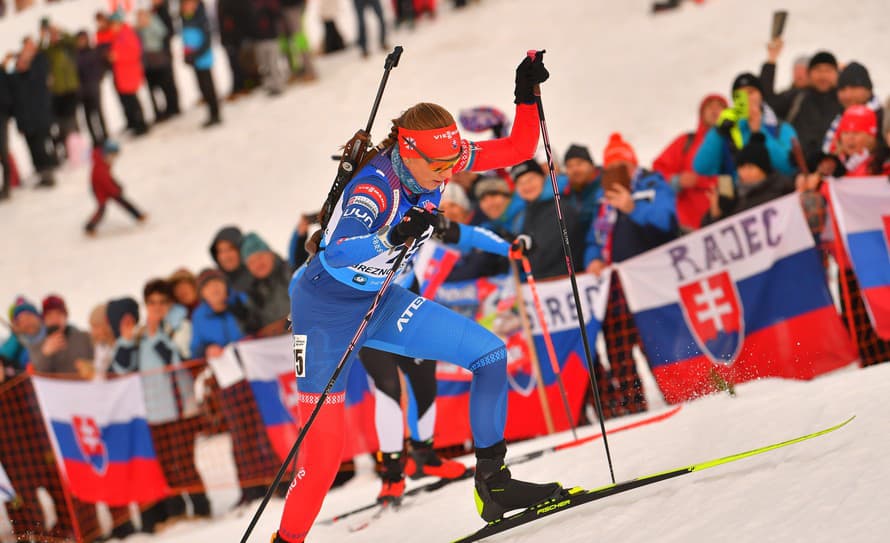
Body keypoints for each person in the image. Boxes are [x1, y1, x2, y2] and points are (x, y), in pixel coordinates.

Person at [272, 53, 554, 543]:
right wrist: (392, 235)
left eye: (453, 163)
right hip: (322, 313)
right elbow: (336, 254)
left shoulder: (438, 158)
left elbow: (519, 147)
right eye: (439, 165)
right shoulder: (375, 188)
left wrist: (525, 96)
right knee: (321, 462)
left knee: (489, 354)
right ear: (408, 149)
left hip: (379, 299)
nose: (449, 173)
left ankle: (494, 482)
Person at [584, 133, 676, 419]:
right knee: (619, 352)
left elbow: (666, 220)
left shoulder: (652, 183)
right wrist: (593, 260)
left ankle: (678, 395)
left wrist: (632, 208)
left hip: (649, 285)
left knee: (659, 344)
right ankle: (634, 410)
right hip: (614, 290)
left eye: (624, 163)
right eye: (613, 165)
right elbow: (593, 241)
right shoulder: (603, 203)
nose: (621, 169)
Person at [693, 73, 798, 178]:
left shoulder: (780, 128)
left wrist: (759, 132)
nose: (746, 98)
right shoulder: (726, 129)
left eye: (750, 92)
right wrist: (718, 133)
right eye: (739, 94)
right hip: (741, 193)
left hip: (776, 191)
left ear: (761, 95)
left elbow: (789, 166)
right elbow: (702, 168)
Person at [652, 94, 728, 232]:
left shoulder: (732, 143)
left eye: (720, 107)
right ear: (702, 114)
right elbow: (657, 171)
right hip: (689, 228)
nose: (715, 110)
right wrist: (677, 181)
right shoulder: (685, 142)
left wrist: (718, 189)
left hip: (727, 221)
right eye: (710, 106)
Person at [761, 47, 841, 166]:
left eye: (828, 70)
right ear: (809, 74)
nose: (823, 75)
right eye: (818, 70)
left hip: (836, 172)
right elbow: (768, 103)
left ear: (837, 74)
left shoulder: (845, 102)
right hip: (798, 170)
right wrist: (771, 62)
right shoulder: (797, 97)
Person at [701, 133, 795, 226]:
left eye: (750, 167)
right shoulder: (730, 196)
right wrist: (715, 214)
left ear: (763, 168)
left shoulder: (782, 188)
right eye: (741, 167)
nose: (745, 172)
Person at [512, 158, 583, 279]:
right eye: (520, 182)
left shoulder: (560, 207)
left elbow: (544, 255)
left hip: (566, 283)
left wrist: (520, 262)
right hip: (544, 285)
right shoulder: (526, 212)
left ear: (543, 178)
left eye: (531, 179)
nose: (527, 186)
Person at [10, 37, 59, 187]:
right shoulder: (15, 80)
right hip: (26, 122)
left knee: (41, 148)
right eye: (18, 62)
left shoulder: (36, 75)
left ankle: (48, 174)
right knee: (33, 149)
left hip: (38, 120)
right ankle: (41, 173)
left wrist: (33, 51)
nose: (20, 64)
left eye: (23, 62)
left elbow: (42, 60)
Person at [822, 62, 885, 155]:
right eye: (842, 89)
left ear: (868, 89)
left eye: (853, 88)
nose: (848, 95)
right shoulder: (838, 114)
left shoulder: (883, 118)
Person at [85, 140, 146, 235]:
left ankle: (138, 215)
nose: (114, 159)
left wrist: (116, 184)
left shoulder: (104, 161)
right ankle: (89, 227)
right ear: (107, 153)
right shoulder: (100, 167)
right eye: (113, 156)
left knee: (123, 201)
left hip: (108, 188)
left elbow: (109, 177)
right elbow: (105, 182)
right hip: (99, 190)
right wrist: (115, 190)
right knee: (102, 209)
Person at [28, 295, 94, 378]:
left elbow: (100, 364)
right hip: (54, 390)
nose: (55, 320)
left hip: (84, 387)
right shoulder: (36, 346)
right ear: (44, 320)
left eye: (59, 314)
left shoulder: (84, 338)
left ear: (66, 316)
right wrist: (45, 354)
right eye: (50, 316)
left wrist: (90, 366)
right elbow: (37, 375)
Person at [189, 268, 248, 359]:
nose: (214, 288)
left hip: (252, 357)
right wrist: (207, 349)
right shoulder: (199, 316)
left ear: (226, 286)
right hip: (225, 366)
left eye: (217, 283)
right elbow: (195, 348)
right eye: (207, 286)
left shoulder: (243, 301)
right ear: (202, 294)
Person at [240, 232, 290, 336]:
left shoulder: (290, 272)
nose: (258, 264)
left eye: (260, 257)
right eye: (251, 262)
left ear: (270, 254)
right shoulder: (253, 293)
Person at [108, 10, 149, 136]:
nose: (112, 27)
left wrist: (117, 57)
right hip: (122, 74)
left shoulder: (127, 33)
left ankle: (141, 125)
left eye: (113, 24)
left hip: (129, 73)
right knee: (126, 101)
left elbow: (135, 53)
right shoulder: (118, 36)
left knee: (133, 101)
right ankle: (132, 123)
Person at [181, 0, 221, 127]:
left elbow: (207, 39)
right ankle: (211, 112)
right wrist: (187, 54)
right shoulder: (186, 19)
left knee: (208, 86)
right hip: (194, 58)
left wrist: (196, 54)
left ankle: (215, 113)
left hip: (203, 58)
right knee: (202, 87)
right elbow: (187, 39)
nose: (188, 6)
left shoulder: (201, 17)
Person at [135, 8, 175, 122]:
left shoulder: (154, 22)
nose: (141, 19)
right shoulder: (138, 29)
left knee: (165, 85)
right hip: (147, 62)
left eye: (142, 16)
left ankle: (170, 108)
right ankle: (158, 112)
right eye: (139, 17)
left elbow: (163, 33)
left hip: (158, 58)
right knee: (152, 89)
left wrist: (149, 24)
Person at [74, 31, 108, 146]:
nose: (82, 42)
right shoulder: (75, 55)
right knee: (88, 115)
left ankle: (105, 135)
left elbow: (102, 65)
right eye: (80, 39)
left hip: (94, 86)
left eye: (83, 39)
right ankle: (95, 139)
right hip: (82, 89)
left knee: (99, 112)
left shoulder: (94, 51)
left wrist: (99, 77)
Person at [562, 143, 602, 234]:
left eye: (579, 163)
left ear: (591, 165)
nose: (575, 169)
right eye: (569, 166)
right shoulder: (567, 193)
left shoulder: (604, 186)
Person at [1, 297, 45, 378]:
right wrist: (15, 336)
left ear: (38, 318)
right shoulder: (20, 342)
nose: (26, 323)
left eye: (28, 317)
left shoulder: (52, 334)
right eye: (21, 321)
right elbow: (4, 354)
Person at [251, 0, 288, 96]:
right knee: (264, 65)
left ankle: (278, 85)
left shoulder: (270, 4)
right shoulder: (251, 4)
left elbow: (277, 15)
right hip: (259, 39)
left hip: (272, 37)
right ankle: (270, 86)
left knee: (273, 63)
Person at [210, 226, 253, 293]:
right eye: (220, 251)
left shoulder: (257, 276)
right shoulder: (210, 284)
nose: (225, 256)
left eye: (231, 249)